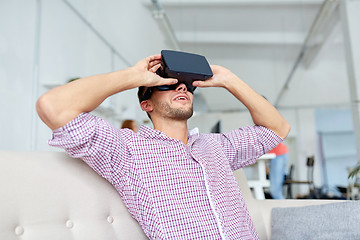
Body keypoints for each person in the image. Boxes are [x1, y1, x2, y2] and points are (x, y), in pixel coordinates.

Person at [36, 54, 290, 240]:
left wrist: (230, 80)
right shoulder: (127, 151)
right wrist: (132, 76)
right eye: (166, 82)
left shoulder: (217, 146)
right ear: (146, 105)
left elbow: (278, 129)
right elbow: (53, 107)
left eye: (187, 85)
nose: (182, 86)